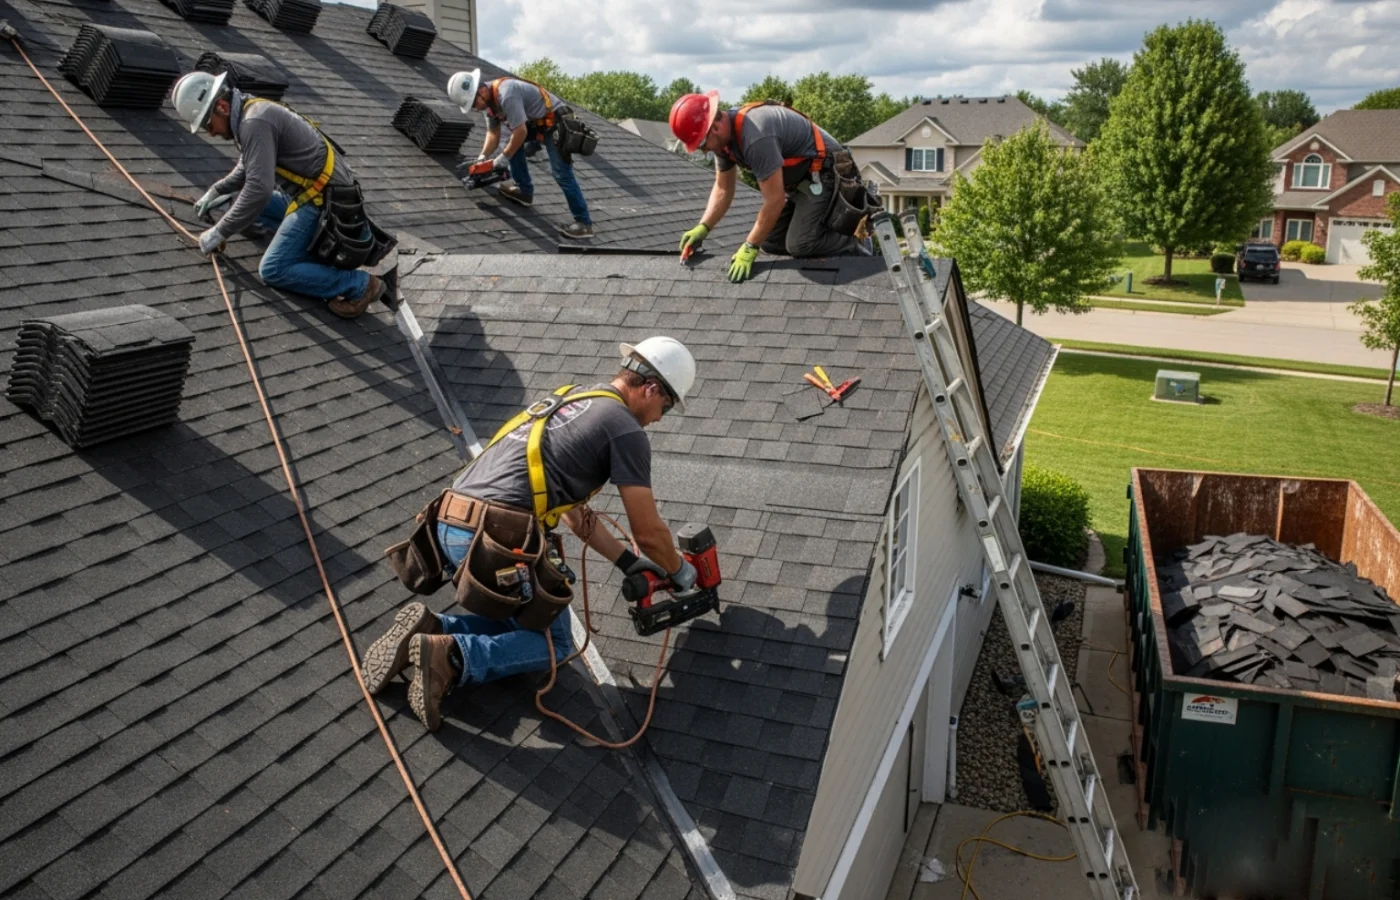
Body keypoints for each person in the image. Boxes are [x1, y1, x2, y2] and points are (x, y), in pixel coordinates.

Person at [362, 337, 699, 731]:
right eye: (666, 406)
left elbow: (574, 515)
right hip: (494, 538)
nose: (659, 418)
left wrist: (627, 562)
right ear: (652, 388)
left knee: (526, 626)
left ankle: (432, 630)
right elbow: (649, 531)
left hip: (448, 524)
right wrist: (681, 572)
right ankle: (452, 656)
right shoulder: (625, 429)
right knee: (555, 644)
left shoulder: (572, 397)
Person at [170, 71, 386, 319]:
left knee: (273, 269)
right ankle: (293, 243)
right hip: (313, 195)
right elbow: (250, 165)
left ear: (222, 106)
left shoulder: (254, 122)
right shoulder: (251, 110)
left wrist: (220, 231)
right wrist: (218, 189)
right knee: (235, 202)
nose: (211, 133)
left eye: (208, 124)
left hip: (323, 204)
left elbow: (258, 189)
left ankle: (360, 285)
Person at [668, 91, 866, 284]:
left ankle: (855, 244)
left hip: (829, 173)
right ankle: (817, 251)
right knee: (770, 242)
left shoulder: (755, 136)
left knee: (801, 244)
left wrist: (750, 246)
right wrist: (703, 227)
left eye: (702, 144)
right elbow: (723, 188)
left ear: (715, 128)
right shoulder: (724, 143)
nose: (704, 151)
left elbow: (775, 200)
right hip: (803, 183)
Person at [447, 68, 594, 240]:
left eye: (474, 103)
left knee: (561, 173)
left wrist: (503, 158)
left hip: (555, 122)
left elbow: (520, 132)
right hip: (536, 122)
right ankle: (524, 191)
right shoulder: (489, 105)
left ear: (481, 91)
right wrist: (482, 157)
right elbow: (493, 134)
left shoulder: (506, 94)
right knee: (510, 145)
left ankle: (584, 224)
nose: (476, 108)